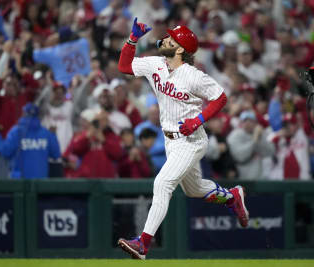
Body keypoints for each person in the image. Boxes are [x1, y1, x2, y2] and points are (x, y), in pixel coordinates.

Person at [116, 18, 249, 259]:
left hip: (191, 140)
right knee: (194, 189)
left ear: (179, 49)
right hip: (170, 140)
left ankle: (143, 243)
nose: (164, 39)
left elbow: (220, 98)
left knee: (162, 183)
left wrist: (198, 121)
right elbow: (124, 67)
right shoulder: (156, 63)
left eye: (171, 38)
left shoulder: (193, 75)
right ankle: (232, 196)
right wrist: (132, 39)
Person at [0, 103, 61, 179]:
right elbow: (56, 154)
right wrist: (53, 135)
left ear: (24, 113)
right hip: (40, 184)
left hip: (20, 183)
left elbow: (5, 151)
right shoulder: (46, 133)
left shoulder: (16, 132)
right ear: (37, 116)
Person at [227, 110, 275, 180]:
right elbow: (240, 156)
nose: (248, 123)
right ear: (241, 122)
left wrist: (261, 138)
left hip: (260, 178)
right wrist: (254, 141)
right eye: (245, 120)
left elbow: (270, 152)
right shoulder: (235, 135)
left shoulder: (260, 134)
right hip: (241, 178)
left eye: (251, 121)